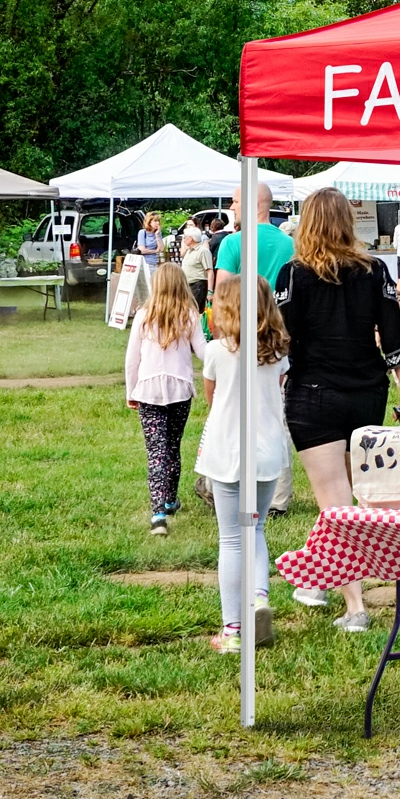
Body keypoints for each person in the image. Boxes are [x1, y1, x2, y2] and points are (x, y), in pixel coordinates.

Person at [275, 188, 400, 624]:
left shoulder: (292, 275)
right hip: (365, 390)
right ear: (346, 223)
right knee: (345, 497)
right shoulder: (375, 271)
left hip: (312, 393)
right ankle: (317, 578)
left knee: (334, 502)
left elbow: (281, 341)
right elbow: (393, 337)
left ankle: (352, 605)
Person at [198, 275, 290, 654]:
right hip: (268, 453)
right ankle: (259, 596)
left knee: (231, 539)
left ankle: (233, 630)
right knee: (256, 530)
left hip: (228, 454)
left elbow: (211, 397)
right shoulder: (280, 353)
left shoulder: (216, 352)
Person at [125, 263, 204, 537]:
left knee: (156, 451)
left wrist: (130, 391)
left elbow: (132, 359)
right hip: (180, 390)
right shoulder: (190, 316)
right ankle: (169, 498)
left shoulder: (144, 316)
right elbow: (204, 354)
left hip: (148, 391)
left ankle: (158, 512)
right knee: (172, 445)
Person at [180, 221, 214, 309]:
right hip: (187, 285)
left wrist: (210, 291)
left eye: (185, 237)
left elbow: (210, 271)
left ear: (191, 238)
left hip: (198, 285)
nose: (183, 239)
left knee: (195, 310)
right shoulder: (189, 250)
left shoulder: (203, 251)